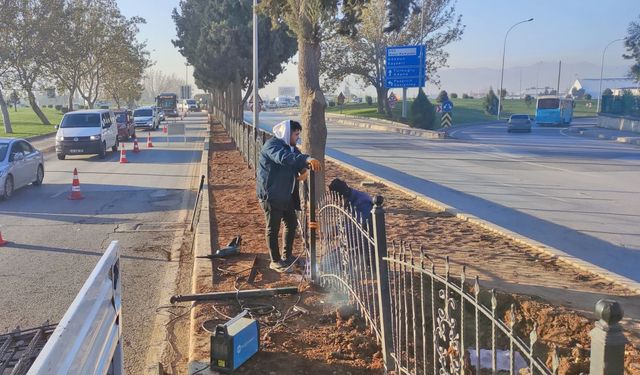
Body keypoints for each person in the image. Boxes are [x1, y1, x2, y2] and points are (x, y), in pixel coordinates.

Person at [257, 120, 321, 272]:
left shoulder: (289, 147)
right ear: (287, 133)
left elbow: (297, 159)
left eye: (299, 134)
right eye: (296, 134)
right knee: (273, 228)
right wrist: (306, 160)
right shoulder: (272, 146)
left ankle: (287, 256)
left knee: (291, 224)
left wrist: (304, 167)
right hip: (271, 195)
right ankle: (275, 260)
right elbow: (283, 158)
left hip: (285, 195)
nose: (297, 137)